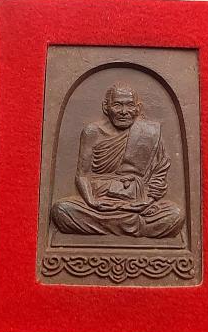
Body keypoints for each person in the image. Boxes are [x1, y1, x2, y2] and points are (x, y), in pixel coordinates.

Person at [51, 83, 183, 238]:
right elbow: (82, 175)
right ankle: (132, 227)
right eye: (117, 105)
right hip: (99, 202)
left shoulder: (150, 133)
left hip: (138, 202)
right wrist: (91, 201)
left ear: (138, 108)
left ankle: (113, 225)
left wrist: (148, 201)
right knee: (61, 210)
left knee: (175, 215)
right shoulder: (93, 132)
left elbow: (159, 174)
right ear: (106, 107)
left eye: (129, 105)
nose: (124, 111)